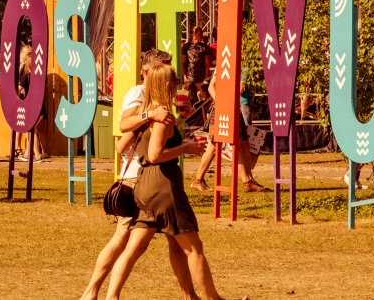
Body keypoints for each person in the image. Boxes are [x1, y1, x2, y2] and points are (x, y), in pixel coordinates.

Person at [82, 49, 198, 300]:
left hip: (155, 177)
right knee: (124, 239)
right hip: (138, 175)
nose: (168, 75)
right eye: (163, 69)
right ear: (148, 72)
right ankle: (93, 292)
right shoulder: (140, 92)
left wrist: (182, 120)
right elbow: (124, 125)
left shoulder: (159, 96)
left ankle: (190, 295)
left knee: (169, 243)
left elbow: (161, 133)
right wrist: (150, 114)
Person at [105, 64, 225, 300]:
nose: (177, 85)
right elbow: (155, 155)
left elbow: (125, 143)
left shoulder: (148, 113)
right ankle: (214, 299)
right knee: (194, 248)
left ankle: (111, 297)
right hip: (164, 187)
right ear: (166, 85)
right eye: (174, 81)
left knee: (133, 248)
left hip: (145, 187)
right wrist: (187, 147)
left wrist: (180, 119)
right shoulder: (160, 115)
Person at [191, 66, 265, 193]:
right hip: (224, 109)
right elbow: (214, 86)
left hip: (234, 108)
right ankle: (198, 180)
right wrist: (222, 101)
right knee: (215, 146)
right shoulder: (229, 63)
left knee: (243, 144)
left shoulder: (242, 64)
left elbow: (215, 87)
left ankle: (248, 181)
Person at [16, 45, 48, 163]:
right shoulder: (40, 75)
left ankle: (38, 155)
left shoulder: (26, 76)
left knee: (31, 130)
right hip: (41, 106)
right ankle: (27, 153)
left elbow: (18, 92)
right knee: (32, 130)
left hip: (31, 106)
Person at [181, 28, 212, 104]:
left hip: (201, 80)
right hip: (189, 79)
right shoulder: (186, 47)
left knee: (202, 102)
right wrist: (185, 77)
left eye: (202, 34)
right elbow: (183, 63)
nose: (201, 36)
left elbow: (207, 64)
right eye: (199, 34)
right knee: (187, 102)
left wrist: (206, 79)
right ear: (194, 35)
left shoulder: (204, 47)